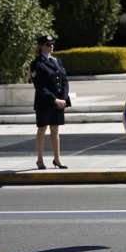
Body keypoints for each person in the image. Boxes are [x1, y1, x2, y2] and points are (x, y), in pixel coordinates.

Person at [31, 35, 69, 170]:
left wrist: (63, 98)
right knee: (42, 129)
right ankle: (40, 160)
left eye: (52, 44)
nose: (51, 47)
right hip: (45, 102)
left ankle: (57, 159)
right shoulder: (37, 63)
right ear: (41, 47)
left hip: (59, 101)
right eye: (48, 45)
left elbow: (64, 80)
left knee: (55, 128)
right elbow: (40, 86)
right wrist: (54, 99)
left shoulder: (57, 61)